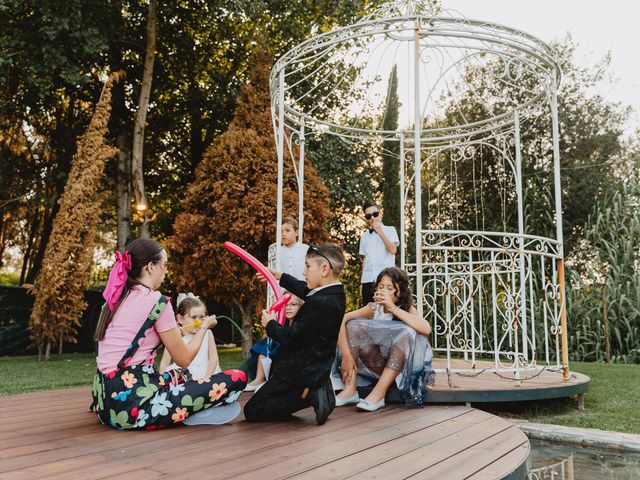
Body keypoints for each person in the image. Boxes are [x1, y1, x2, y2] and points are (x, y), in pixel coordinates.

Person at [91, 238, 247, 430]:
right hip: (135, 407)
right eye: (164, 265)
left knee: (182, 375)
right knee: (237, 378)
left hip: (106, 404)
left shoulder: (115, 299)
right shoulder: (156, 301)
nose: (166, 270)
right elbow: (184, 359)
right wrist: (204, 327)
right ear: (150, 266)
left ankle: (193, 409)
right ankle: (195, 411)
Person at [244, 243, 346, 425]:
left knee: (252, 410)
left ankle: (311, 394)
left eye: (307, 266)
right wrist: (280, 276)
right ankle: (313, 390)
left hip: (298, 371)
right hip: (314, 368)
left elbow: (291, 338)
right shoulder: (335, 294)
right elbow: (305, 290)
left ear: (324, 269)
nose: (304, 272)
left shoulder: (319, 303)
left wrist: (271, 324)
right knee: (269, 402)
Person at [333, 267, 434, 411]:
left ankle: (379, 395)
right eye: (380, 287)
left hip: (403, 372)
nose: (384, 291)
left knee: (407, 331)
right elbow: (342, 320)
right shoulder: (373, 308)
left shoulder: (406, 308)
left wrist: (392, 308)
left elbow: (426, 329)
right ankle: (350, 390)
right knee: (354, 326)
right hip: (377, 366)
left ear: (400, 292)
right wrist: (347, 357)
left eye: (390, 288)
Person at [245, 294, 304, 392]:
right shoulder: (282, 321)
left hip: (292, 356)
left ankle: (271, 381)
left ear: (300, 306)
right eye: (286, 305)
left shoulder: (301, 323)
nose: (288, 308)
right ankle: (259, 379)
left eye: (293, 304)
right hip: (276, 355)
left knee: (278, 348)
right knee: (264, 345)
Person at [159, 293, 221, 380]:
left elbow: (213, 357)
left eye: (201, 317)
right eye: (193, 317)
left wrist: (208, 376)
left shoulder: (207, 333)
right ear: (180, 319)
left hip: (206, 372)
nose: (198, 321)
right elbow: (165, 362)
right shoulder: (176, 335)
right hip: (182, 375)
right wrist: (162, 379)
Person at [359, 201, 399, 306]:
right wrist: (362, 282)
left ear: (379, 213)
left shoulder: (390, 230)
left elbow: (393, 250)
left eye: (375, 214)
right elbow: (365, 260)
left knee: (386, 312)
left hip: (385, 280)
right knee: (368, 313)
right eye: (368, 216)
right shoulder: (365, 236)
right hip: (368, 280)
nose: (372, 217)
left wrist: (380, 231)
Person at [277, 216, 308, 281]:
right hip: (282, 289)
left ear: (296, 233)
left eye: (287, 231)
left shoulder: (305, 249)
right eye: (281, 231)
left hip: (301, 287)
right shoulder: (277, 251)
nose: (283, 234)